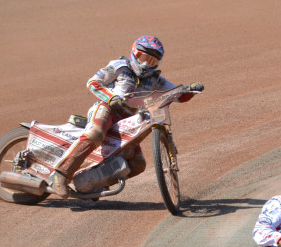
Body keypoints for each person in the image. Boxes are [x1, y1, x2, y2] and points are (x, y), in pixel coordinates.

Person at [48, 35, 204, 197]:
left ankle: (94, 184)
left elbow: (174, 94)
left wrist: (188, 90)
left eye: (152, 61)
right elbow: (93, 83)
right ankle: (60, 174)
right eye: (144, 58)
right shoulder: (120, 66)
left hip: (128, 121)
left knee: (138, 164)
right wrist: (111, 98)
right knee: (96, 134)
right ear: (135, 53)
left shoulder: (155, 79)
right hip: (107, 109)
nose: (146, 64)